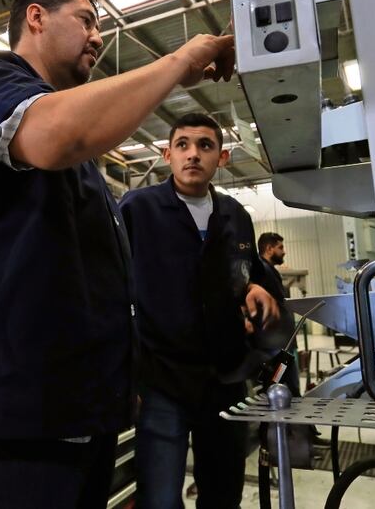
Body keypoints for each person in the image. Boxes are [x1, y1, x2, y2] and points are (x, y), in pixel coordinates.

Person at [0, 0, 235, 509]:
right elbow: (54, 134)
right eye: (86, 20)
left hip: (76, 413)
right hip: (11, 417)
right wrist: (179, 62)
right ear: (36, 17)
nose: (98, 36)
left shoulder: (82, 162)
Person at [118, 112, 280, 509]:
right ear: (167, 154)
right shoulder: (138, 209)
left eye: (205, 146)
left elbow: (244, 276)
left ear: (222, 158)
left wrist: (256, 288)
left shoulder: (235, 216)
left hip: (224, 380)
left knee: (223, 494)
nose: (193, 155)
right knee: (159, 495)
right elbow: (110, 289)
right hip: (161, 379)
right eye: (183, 145)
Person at [257, 232, 300, 394]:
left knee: (287, 385)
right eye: (280, 247)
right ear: (269, 249)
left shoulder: (270, 270)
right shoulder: (261, 270)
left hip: (283, 342)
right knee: (276, 386)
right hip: (274, 344)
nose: (284, 251)